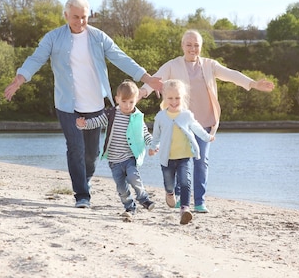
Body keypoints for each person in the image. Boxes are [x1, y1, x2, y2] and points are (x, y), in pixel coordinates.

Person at [4, 0, 163, 209]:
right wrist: (20, 78)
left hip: (95, 105)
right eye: (75, 17)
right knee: (75, 148)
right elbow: (36, 58)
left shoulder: (98, 37)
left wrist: (147, 78)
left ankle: (85, 179)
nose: (80, 21)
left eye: (84, 17)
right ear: (66, 16)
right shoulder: (53, 38)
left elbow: (121, 57)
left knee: (91, 153)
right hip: (67, 105)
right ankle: (82, 195)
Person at [140, 29, 274, 213]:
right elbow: (155, 80)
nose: (192, 49)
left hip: (205, 121)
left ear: (201, 47)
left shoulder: (210, 65)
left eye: (196, 45)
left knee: (201, 161)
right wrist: (140, 93)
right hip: (180, 122)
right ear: (182, 46)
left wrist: (253, 83)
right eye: (189, 45)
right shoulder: (173, 65)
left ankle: (200, 200)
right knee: (180, 159)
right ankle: (178, 196)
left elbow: (231, 74)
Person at [76, 80, 154, 220]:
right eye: (124, 101)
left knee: (133, 177)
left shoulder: (137, 117)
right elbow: (97, 121)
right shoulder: (111, 114)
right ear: (117, 99)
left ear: (136, 100)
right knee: (121, 188)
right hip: (114, 161)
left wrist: (153, 145)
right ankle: (129, 207)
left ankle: (144, 199)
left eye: (131, 102)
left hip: (130, 157)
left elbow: (145, 133)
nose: (127, 105)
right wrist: (84, 124)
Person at [148, 79, 214, 225]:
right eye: (170, 98)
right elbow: (156, 135)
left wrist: (207, 137)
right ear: (165, 98)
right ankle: (170, 193)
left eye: (177, 98)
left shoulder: (187, 115)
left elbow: (197, 128)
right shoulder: (161, 117)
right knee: (169, 183)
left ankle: (185, 209)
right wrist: (153, 147)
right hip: (167, 158)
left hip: (184, 156)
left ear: (182, 98)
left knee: (185, 181)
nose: (174, 101)